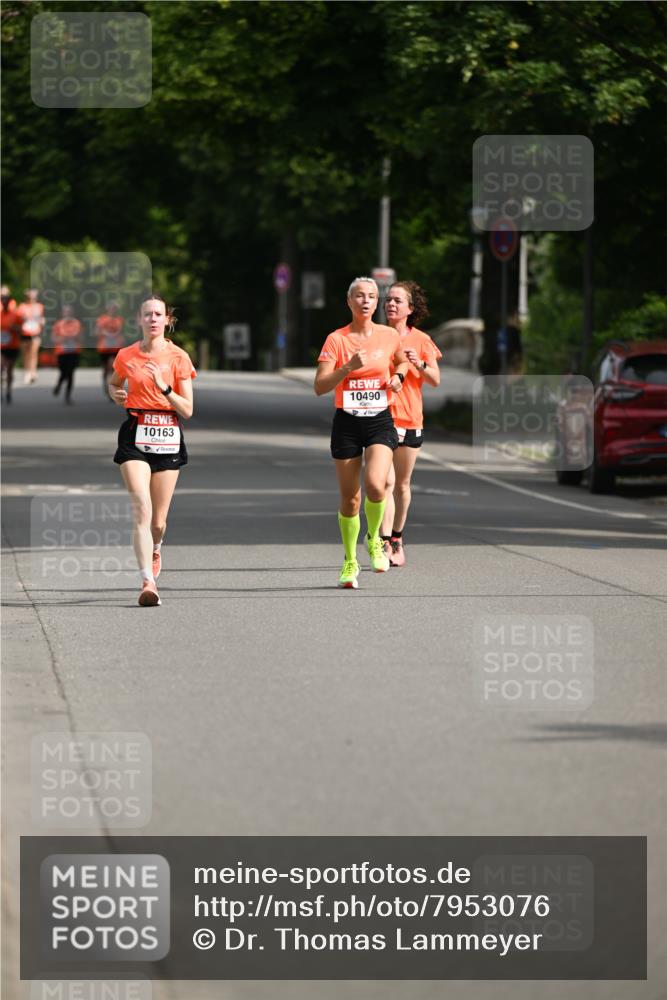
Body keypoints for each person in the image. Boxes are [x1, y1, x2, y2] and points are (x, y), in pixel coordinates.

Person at [314, 277, 409, 589]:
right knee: (350, 499)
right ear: (349, 301)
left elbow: (402, 362)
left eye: (371, 296)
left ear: (375, 302)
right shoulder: (336, 339)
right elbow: (320, 386)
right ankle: (350, 560)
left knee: (377, 485)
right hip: (347, 423)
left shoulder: (388, 335)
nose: (365, 301)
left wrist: (398, 377)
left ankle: (374, 539)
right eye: (359, 296)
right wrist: (347, 368)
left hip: (380, 420)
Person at [108, 294, 196, 607]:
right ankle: (148, 582)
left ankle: (156, 548)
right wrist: (116, 393)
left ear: (167, 320)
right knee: (141, 509)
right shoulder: (127, 355)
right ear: (139, 320)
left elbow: (188, 409)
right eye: (148, 314)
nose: (153, 319)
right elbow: (114, 382)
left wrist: (165, 388)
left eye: (159, 314)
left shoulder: (179, 357)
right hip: (135, 433)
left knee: (158, 522)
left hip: (168, 435)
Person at [381, 281, 441, 566]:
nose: (391, 304)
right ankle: (382, 541)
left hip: (410, 418)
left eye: (397, 301)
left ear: (410, 308)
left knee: (401, 485)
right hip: (381, 417)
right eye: (388, 300)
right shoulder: (376, 335)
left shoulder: (422, 340)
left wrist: (419, 364)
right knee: (385, 482)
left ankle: (397, 538)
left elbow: (435, 380)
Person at [52, 305, 83, 404]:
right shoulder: (58, 324)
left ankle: (67, 396)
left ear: (72, 313)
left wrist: (76, 337)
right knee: (63, 372)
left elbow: (81, 338)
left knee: (70, 373)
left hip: (73, 351)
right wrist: (62, 339)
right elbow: (53, 339)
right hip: (62, 351)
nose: (68, 313)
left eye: (69, 311)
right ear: (62, 313)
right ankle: (59, 385)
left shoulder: (77, 324)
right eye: (66, 312)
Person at [16, 288, 45, 384]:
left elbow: (42, 319)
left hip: (35, 332)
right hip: (25, 333)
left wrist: (42, 322)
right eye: (30, 297)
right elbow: (18, 320)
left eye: (34, 297)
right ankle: (27, 372)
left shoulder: (39, 307)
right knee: (26, 354)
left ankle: (33, 372)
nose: (32, 298)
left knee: (34, 353)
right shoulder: (22, 307)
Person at [96, 303, 125, 397]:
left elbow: (121, 331)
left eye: (114, 308)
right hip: (104, 347)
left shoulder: (119, 319)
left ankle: (111, 388)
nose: (113, 310)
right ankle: (105, 383)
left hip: (115, 347)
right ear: (107, 309)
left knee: (113, 368)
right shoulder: (102, 319)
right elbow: (97, 331)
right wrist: (107, 334)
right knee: (105, 369)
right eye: (111, 308)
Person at [1, 286, 20, 403]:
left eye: (6, 301)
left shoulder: (15, 315)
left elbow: (21, 330)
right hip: (2, 347)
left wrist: (14, 328)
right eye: (2, 300)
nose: (4, 303)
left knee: (9, 370)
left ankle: (8, 391)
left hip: (13, 346)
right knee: (1, 367)